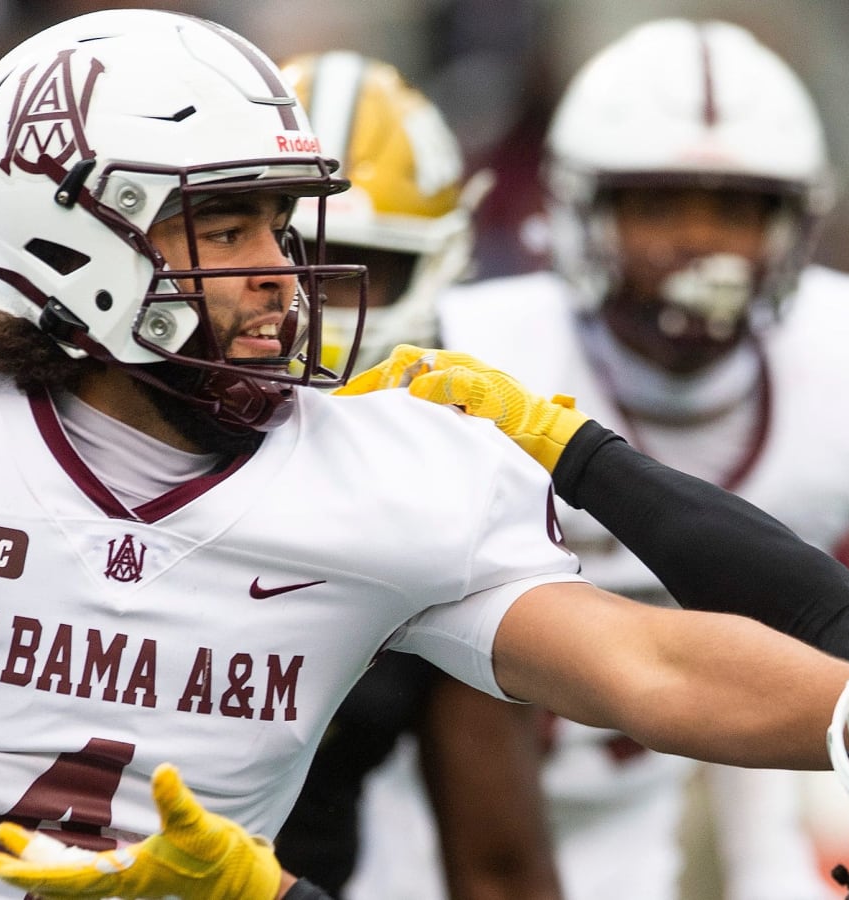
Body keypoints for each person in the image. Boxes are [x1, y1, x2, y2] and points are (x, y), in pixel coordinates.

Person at [0, 10, 849, 900]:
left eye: (281, 223)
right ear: (67, 233)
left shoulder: (388, 472)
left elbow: (650, 664)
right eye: (225, 225)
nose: (279, 271)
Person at [432, 18, 845, 900]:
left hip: (657, 805)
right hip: (420, 809)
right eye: (658, 202)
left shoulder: (840, 358)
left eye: (737, 208)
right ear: (580, 210)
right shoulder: (470, 355)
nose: (700, 241)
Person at [273, 51, 557, 900]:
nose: (306, 298)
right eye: (283, 246)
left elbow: (498, 867)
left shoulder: (447, 490)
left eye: (359, 264)